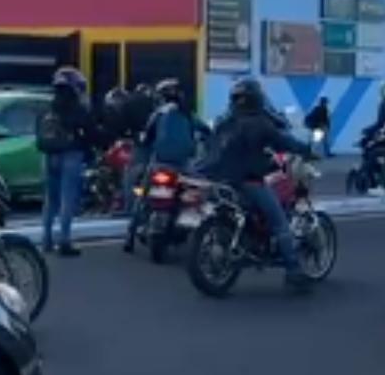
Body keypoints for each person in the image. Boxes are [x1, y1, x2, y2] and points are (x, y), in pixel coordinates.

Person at [199, 77, 315, 290]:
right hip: (248, 182)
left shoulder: (224, 122)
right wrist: (307, 149)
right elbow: (284, 141)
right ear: (257, 98)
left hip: (218, 181)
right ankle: (293, 271)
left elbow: (209, 148)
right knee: (280, 222)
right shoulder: (260, 123)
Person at [123, 79, 208, 254]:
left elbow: (146, 138)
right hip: (184, 166)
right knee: (196, 195)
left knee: (142, 196)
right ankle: (190, 231)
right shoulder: (188, 114)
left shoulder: (158, 114)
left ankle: (129, 236)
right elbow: (207, 131)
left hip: (160, 164)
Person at [37, 66, 97, 257]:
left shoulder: (47, 106)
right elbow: (88, 130)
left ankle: (46, 241)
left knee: (50, 199)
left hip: (49, 154)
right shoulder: (77, 106)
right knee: (67, 199)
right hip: (71, 154)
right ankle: (65, 241)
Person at [121, 83, 157, 212]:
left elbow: (123, 123)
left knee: (133, 177)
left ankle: (131, 204)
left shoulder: (130, 102)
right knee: (152, 177)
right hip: (156, 147)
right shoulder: (156, 103)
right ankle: (150, 203)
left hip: (139, 145)